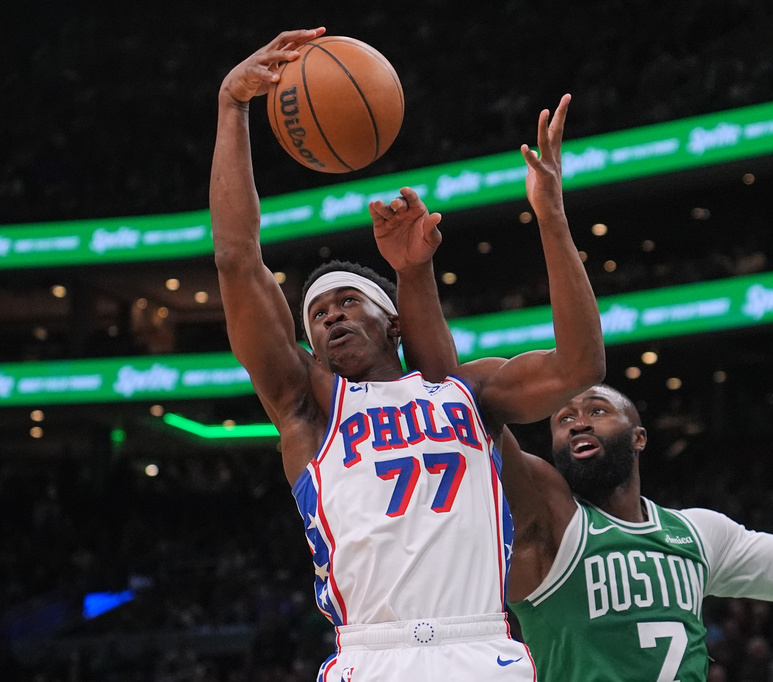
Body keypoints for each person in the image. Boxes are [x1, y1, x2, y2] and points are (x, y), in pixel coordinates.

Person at [210, 28, 605, 682]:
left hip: (482, 648)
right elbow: (235, 259)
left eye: (347, 302)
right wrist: (232, 105)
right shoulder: (308, 413)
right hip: (371, 654)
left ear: (393, 323)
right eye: (318, 314)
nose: (331, 314)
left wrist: (552, 220)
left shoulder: (466, 395)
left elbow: (579, 367)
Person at [495, 383, 773, 682]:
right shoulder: (548, 524)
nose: (578, 420)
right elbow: (475, 407)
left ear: (639, 438)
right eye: (563, 419)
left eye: (597, 410)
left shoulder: (697, 532)